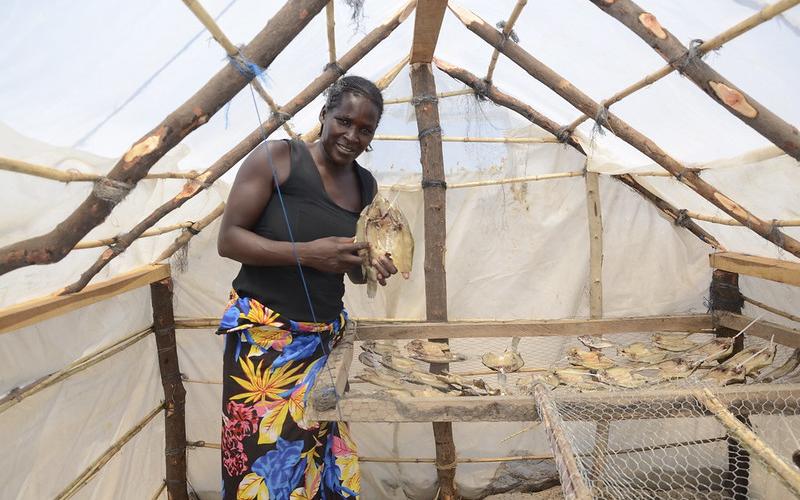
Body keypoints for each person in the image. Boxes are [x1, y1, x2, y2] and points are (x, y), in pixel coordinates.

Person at [215, 75, 397, 499]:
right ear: (324, 115)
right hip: (264, 348)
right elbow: (229, 239)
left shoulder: (365, 185)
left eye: (365, 129)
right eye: (344, 121)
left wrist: (370, 264)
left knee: (316, 456)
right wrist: (306, 253)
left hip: (323, 346)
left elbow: (347, 265)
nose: (352, 135)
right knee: (262, 463)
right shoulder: (278, 158)